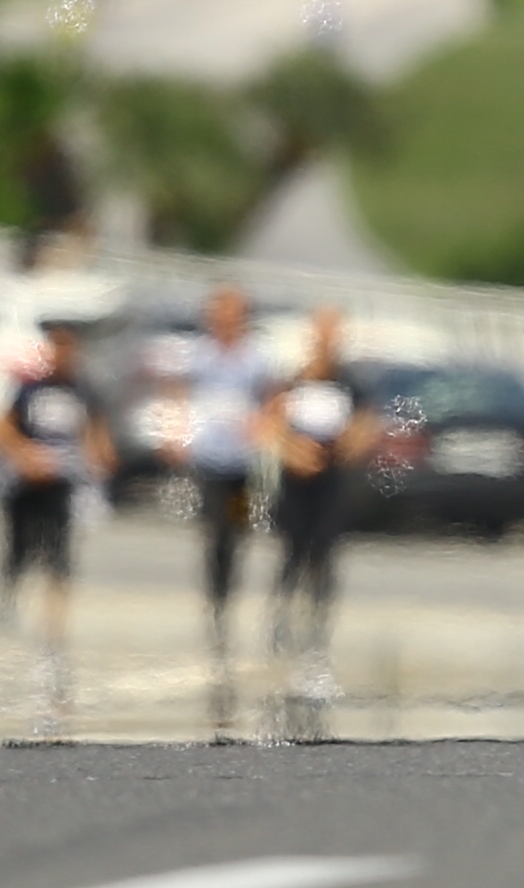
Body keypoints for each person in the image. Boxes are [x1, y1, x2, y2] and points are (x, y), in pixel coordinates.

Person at [160, 285, 271, 725]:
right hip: (208, 459)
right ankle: (215, 604)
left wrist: (262, 425)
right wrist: (175, 432)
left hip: (242, 465)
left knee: (238, 532)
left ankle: (230, 595)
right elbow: (177, 393)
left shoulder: (255, 357)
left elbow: (272, 398)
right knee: (213, 533)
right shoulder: (199, 355)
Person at [0, 323, 113, 733]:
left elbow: (96, 432)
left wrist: (100, 456)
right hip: (25, 483)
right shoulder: (30, 389)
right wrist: (24, 455)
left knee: (59, 555)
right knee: (19, 549)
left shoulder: (83, 391)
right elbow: (4, 425)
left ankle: (54, 628)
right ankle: (9, 596)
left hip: (62, 484)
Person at [263, 308, 379, 708]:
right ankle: (280, 623)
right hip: (297, 477)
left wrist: (345, 448)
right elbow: (273, 423)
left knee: (324, 554)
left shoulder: (352, 383)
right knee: (292, 552)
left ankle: (317, 631)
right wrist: (294, 452)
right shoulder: (296, 379)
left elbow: (366, 426)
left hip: (331, 477)